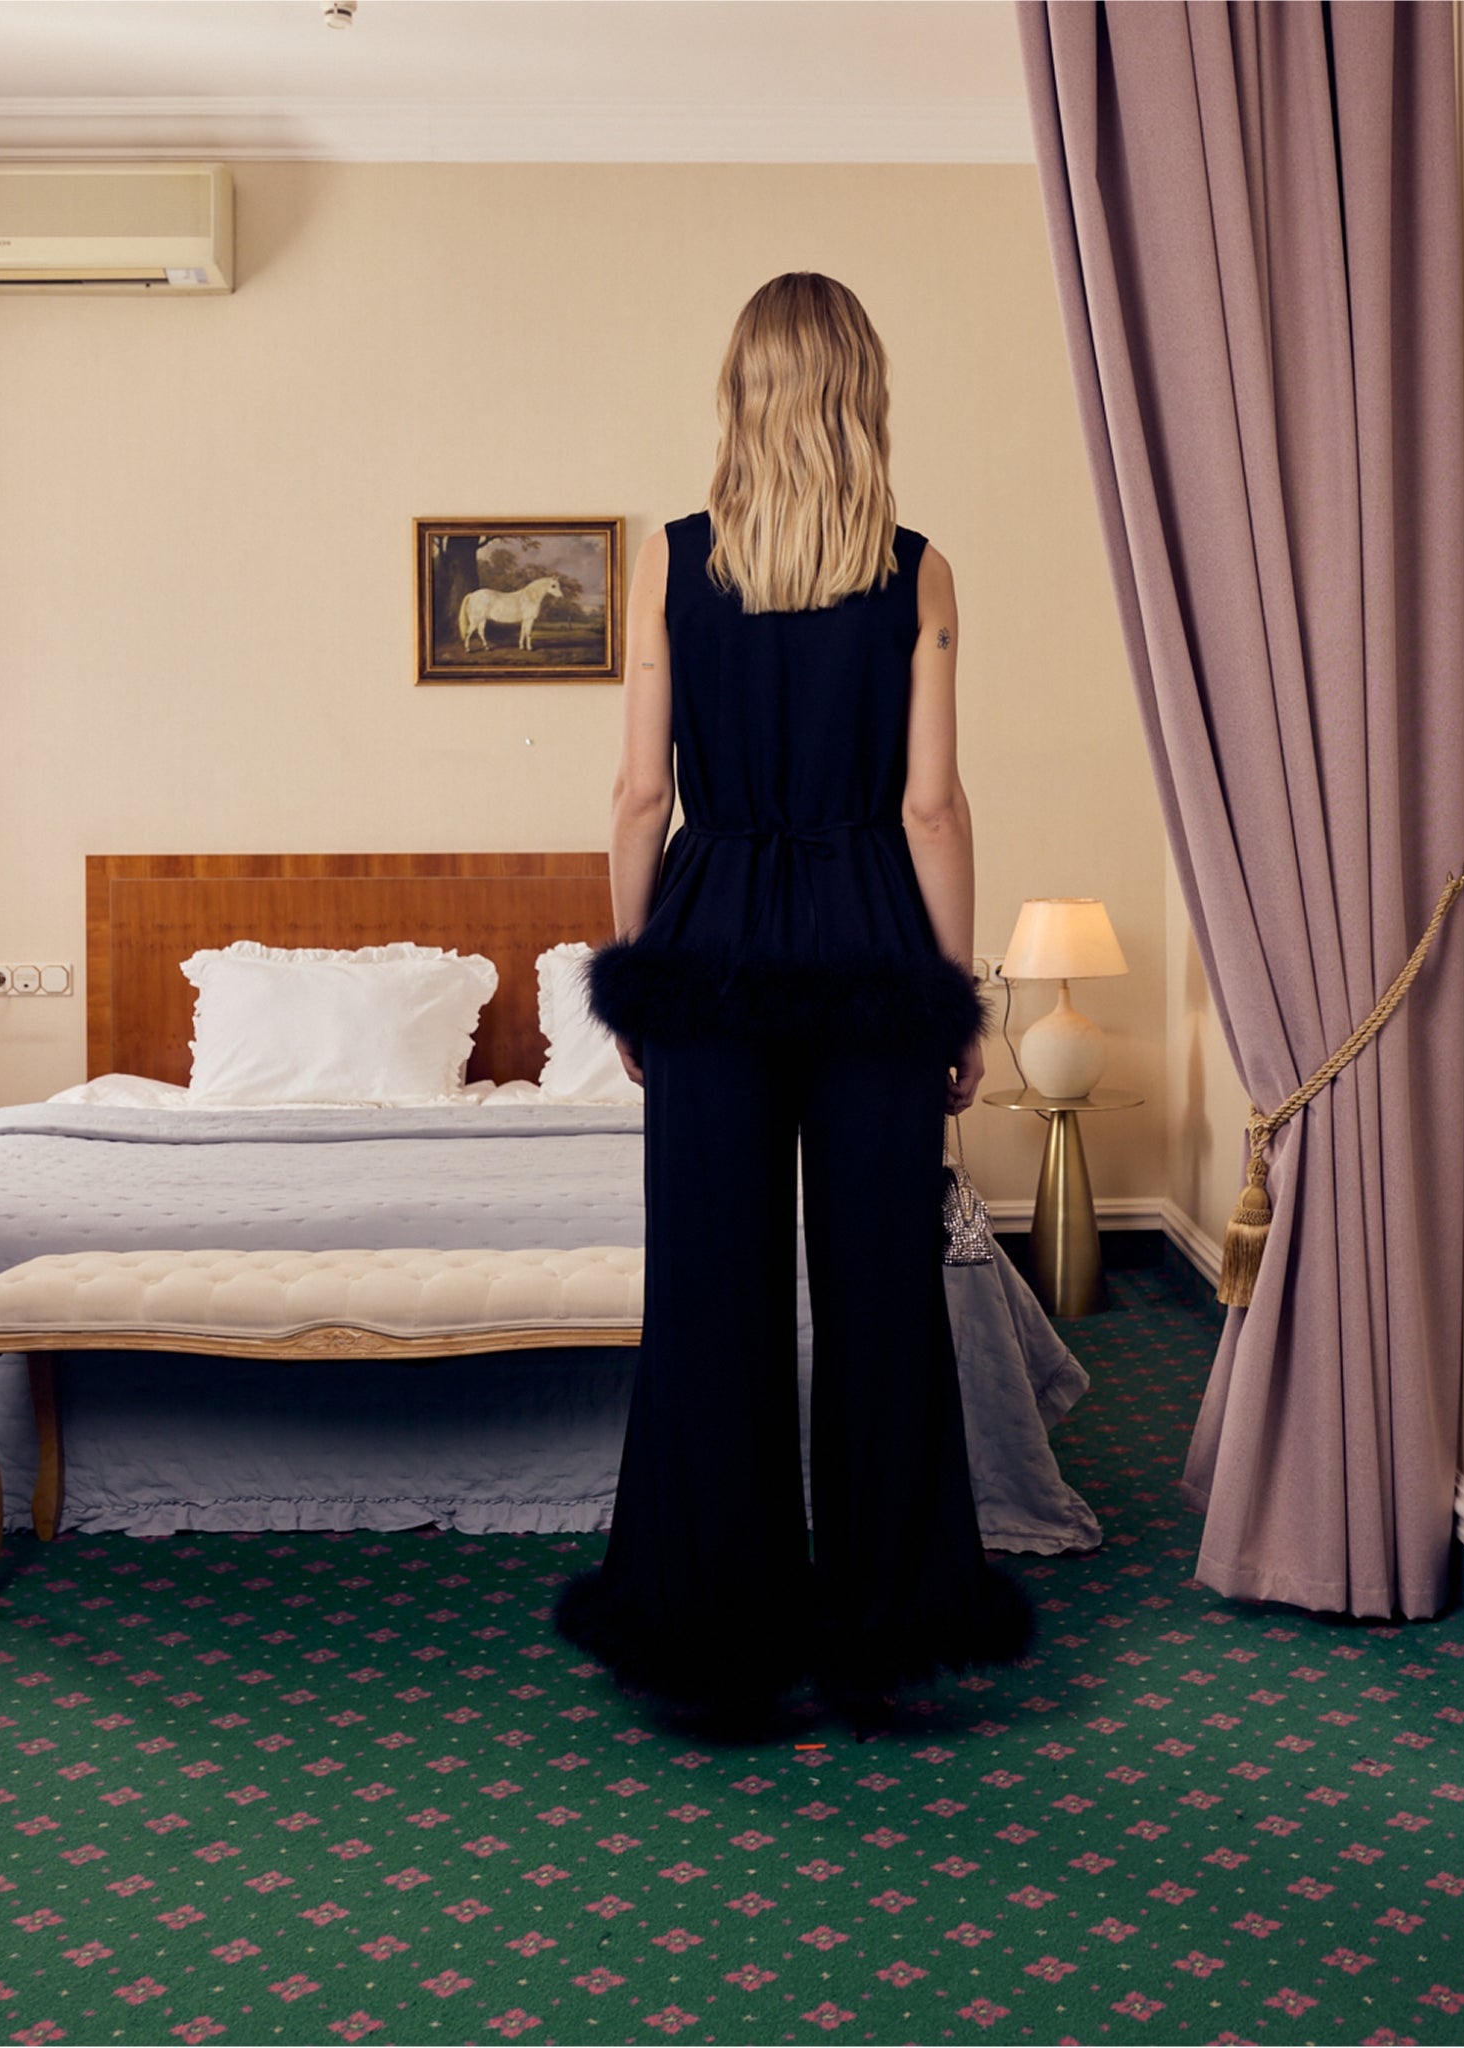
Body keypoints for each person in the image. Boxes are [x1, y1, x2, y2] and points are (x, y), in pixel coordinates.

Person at [554, 272, 1032, 1736]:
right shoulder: (923, 571)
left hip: (706, 941)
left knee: (714, 1293)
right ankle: (889, 1618)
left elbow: (644, 793)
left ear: (742, 393)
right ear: (862, 395)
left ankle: (711, 1620)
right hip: (870, 939)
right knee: (885, 1294)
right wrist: (957, 1003)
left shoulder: (667, 562)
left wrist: (634, 970)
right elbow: (932, 808)